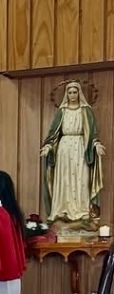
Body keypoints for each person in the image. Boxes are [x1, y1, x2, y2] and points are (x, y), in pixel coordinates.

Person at [40, 81, 105, 227]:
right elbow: (54, 133)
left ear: (79, 93)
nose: (72, 95)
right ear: (66, 94)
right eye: (69, 93)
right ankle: (62, 210)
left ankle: (82, 211)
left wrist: (96, 144)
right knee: (64, 179)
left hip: (81, 147)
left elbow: (92, 132)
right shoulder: (62, 111)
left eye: (75, 92)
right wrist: (48, 146)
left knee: (81, 178)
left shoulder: (86, 111)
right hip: (64, 149)